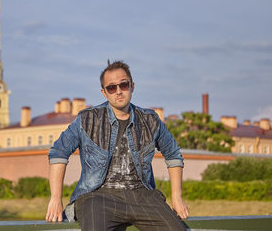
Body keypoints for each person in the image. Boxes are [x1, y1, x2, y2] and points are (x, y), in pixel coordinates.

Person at [46, 60, 189, 230]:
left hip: (142, 195)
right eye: (112, 88)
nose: (119, 91)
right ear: (104, 93)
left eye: (124, 85)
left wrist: (177, 197)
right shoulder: (87, 119)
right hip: (98, 196)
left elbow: (173, 154)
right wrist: (55, 197)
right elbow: (58, 152)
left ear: (132, 86)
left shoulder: (151, 120)